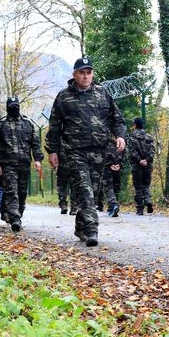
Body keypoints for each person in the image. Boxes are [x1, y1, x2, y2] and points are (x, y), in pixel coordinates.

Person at [45, 56, 126, 247]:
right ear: (74, 74)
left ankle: (80, 226)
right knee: (85, 189)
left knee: (93, 190)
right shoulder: (64, 97)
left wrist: (120, 136)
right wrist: (52, 151)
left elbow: (117, 119)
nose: (86, 76)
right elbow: (54, 126)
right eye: (82, 72)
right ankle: (91, 229)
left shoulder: (102, 94)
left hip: (99, 150)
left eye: (89, 72)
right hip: (74, 152)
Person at [0, 97, 44, 232]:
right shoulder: (1, 125)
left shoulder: (28, 123)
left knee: (22, 192)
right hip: (8, 164)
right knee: (11, 190)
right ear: (7, 107)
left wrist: (37, 159)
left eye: (16, 106)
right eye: (12, 106)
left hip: (24, 164)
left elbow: (35, 144)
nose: (14, 108)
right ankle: (15, 219)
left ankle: (18, 213)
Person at [128, 117, 155, 215]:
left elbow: (132, 151)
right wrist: (146, 160)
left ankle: (140, 209)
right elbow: (152, 151)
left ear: (135, 125)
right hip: (148, 165)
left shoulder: (132, 137)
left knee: (138, 187)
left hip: (136, 165)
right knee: (146, 185)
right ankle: (148, 201)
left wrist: (140, 160)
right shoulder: (149, 137)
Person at [101, 141, 123, 217]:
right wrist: (119, 164)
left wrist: (110, 164)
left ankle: (113, 205)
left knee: (108, 187)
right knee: (116, 187)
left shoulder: (103, 139)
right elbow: (124, 153)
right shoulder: (120, 141)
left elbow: (101, 154)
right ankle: (112, 208)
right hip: (117, 167)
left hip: (106, 167)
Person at [56, 149, 78, 215]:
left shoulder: (60, 139)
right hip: (74, 164)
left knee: (62, 187)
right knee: (74, 187)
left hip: (62, 165)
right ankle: (74, 208)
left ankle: (63, 205)